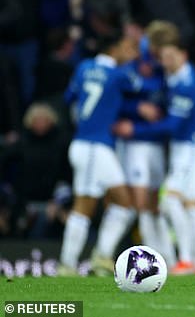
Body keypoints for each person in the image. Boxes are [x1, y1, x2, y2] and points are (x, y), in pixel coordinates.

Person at [113, 23, 195, 276]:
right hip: (186, 148)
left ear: (183, 54)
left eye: (170, 57)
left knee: (169, 200)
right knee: (191, 206)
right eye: (163, 57)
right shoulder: (175, 76)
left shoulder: (186, 85)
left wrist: (135, 130)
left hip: (190, 147)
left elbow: (171, 125)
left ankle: (186, 259)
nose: (165, 62)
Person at [58, 30, 143, 276]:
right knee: (84, 204)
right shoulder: (118, 74)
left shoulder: (83, 67)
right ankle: (67, 264)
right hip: (93, 146)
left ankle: (102, 256)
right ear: (114, 49)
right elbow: (139, 87)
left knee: (124, 203)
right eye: (128, 48)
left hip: (89, 142)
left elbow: (69, 97)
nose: (132, 54)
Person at [116, 23, 176, 267]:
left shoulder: (164, 75)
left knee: (154, 203)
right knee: (139, 201)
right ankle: (153, 258)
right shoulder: (125, 73)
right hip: (135, 145)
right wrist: (136, 109)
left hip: (156, 144)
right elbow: (114, 102)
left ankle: (168, 258)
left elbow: (168, 105)